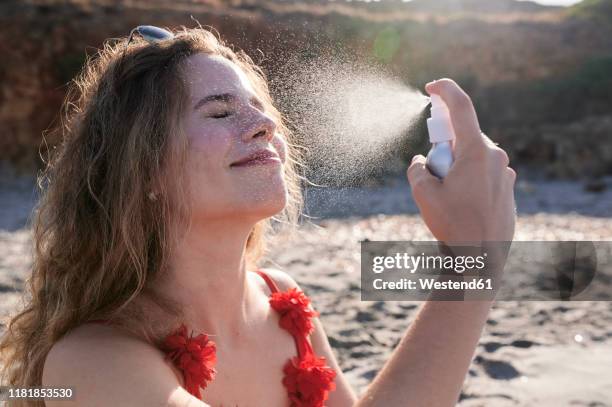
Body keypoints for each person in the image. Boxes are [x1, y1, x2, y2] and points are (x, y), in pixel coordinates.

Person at [0, 26, 516, 407]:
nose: (265, 124)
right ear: (143, 171)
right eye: (221, 112)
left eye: (259, 106)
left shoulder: (281, 301)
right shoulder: (92, 363)